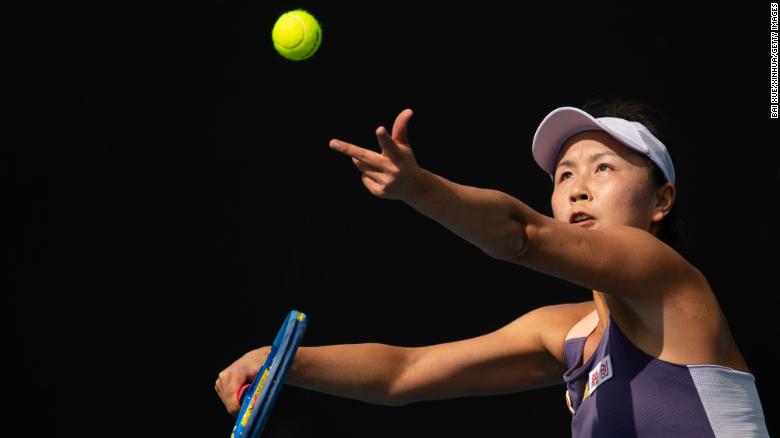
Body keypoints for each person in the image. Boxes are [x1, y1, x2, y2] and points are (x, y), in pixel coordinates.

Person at [215, 99, 770, 437]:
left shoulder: (666, 278)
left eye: (603, 168)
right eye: (563, 176)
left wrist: (418, 188)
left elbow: (521, 235)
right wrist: (279, 361)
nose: (577, 187)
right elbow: (402, 374)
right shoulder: (566, 334)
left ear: (661, 201)